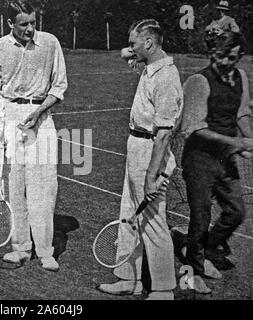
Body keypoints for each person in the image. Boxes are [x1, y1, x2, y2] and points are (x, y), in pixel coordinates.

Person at [97, 19, 183, 300]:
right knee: (128, 214)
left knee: (153, 219)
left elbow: (165, 134)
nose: (130, 48)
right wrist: (131, 50)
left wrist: (152, 175)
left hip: (150, 151)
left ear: (148, 43)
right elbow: (127, 54)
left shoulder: (167, 77)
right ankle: (128, 278)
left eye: (135, 43)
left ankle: (163, 288)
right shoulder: (150, 67)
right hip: (137, 146)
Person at [0, 0, 67, 272]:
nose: (31, 29)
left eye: (33, 22)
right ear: (10, 24)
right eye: (24, 24)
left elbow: (60, 85)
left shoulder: (51, 43)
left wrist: (40, 110)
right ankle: (20, 248)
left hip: (41, 118)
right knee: (16, 187)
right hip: (11, 118)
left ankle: (45, 251)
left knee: (44, 187)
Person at [179, 31, 253, 294]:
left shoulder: (241, 77)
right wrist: (236, 143)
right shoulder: (199, 81)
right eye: (219, 55)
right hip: (199, 159)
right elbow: (195, 128)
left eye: (231, 57)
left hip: (225, 158)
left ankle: (207, 251)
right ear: (211, 53)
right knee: (200, 216)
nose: (224, 62)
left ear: (240, 56)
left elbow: (242, 113)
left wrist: (249, 139)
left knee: (236, 212)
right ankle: (194, 270)